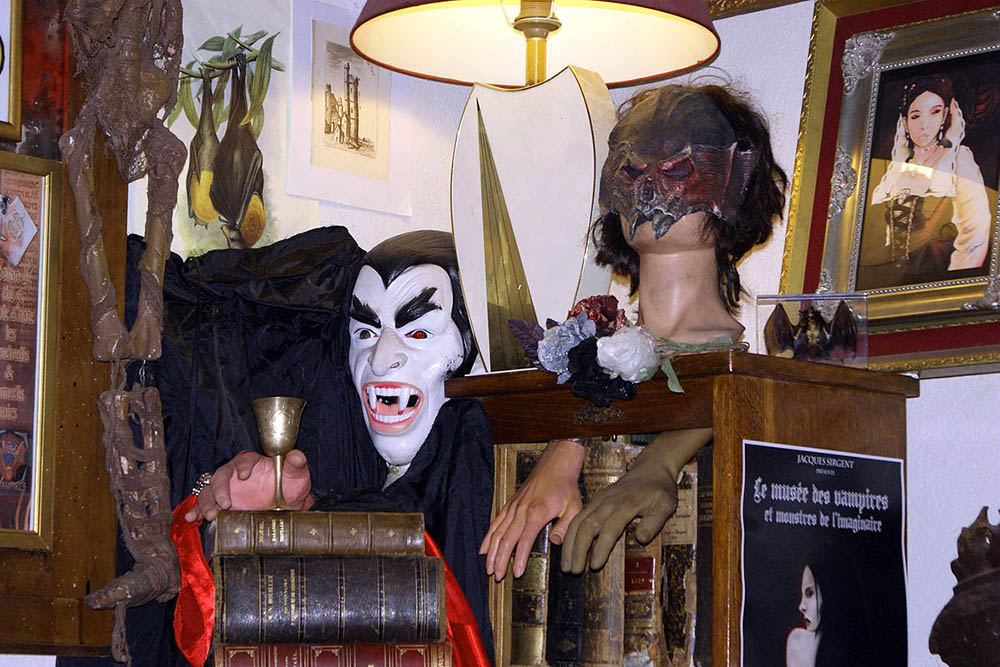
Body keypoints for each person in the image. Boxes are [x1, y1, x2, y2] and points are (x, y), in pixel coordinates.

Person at [481, 84, 787, 579]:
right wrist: (569, 443)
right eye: (630, 169)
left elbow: (734, 397)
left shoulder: (739, 377)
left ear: (735, 178)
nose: (648, 188)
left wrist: (658, 462)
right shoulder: (596, 347)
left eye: (677, 168)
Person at [185, 230, 495, 661]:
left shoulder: (481, 469)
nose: (380, 359)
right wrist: (231, 498)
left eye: (420, 334)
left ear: (474, 350)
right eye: (365, 332)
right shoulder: (343, 461)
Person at [861, 73, 991, 288]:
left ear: (945, 115)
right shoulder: (897, 165)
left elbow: (975, 231)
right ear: (905, 121)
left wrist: (954, 288)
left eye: (934, 112)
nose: (924, 125)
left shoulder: (958, 159)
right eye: (916, 116)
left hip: (935, 272)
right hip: (888, 281)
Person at [785, 547, 874, 667]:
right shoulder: (799, 643)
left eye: (809, 593)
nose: (801, 606)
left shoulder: (859, 651)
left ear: (831, 591)